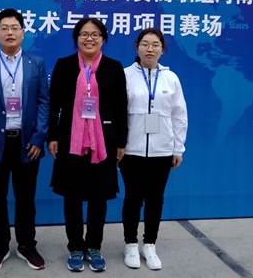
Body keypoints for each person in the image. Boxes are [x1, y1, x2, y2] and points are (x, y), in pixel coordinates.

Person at [0, 8, 49, 272]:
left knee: (26, 199)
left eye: (14, 28)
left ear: (23, 32)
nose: (10, 32)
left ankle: (27, 245)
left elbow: (44, 102)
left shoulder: (36, 63)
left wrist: (39, 136)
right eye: (4, 28)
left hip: (27, 143)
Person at [47, 18, 127, 273]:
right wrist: (52, 136)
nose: (89, 38)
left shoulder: (114, 67)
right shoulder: (64, 65)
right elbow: (54, 104)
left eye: (95, 34)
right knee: (72, 197)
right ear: (76, 38)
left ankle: (94, 246)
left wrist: (121, 141)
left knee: (98, 197)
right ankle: (74, 246)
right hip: (70, 140)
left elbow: (121, 107)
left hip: (104, 142)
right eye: (84, 34)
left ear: (103, 39)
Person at [120, 28, 188, 271]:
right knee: (132, 198)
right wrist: (118, 145)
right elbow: (117, 113)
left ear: (162, 49)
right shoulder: (125, 75)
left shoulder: (171, 78)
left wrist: (178, 148)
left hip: (162, 151)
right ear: (137, 47)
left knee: (155, 198)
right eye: (145, 44)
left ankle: (149, 244)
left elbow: (179, 115)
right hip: (131, 150)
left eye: (155, 44)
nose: (150, 49)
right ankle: (130, 244)